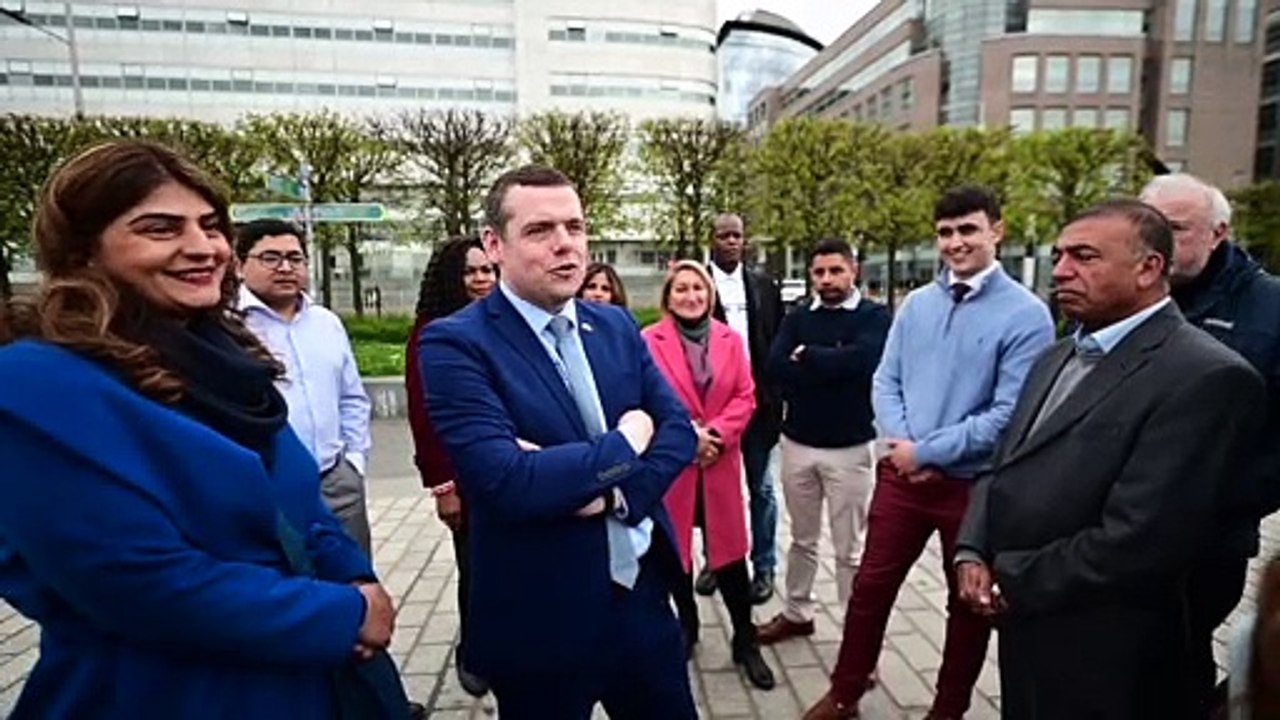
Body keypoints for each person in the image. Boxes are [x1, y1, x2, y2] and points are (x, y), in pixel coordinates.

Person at [0, 140, 408, 718]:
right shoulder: (34, 384)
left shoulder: (226, 357)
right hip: (169, 693)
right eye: (160, 228)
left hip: (319, 683)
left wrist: (359, 581)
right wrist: (342, 615)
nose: (202, 247)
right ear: (83, 250)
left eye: (211, 226)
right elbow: (137, 583)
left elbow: (300, 506)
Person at [955, 199, 1266, 720]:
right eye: (1058, 256)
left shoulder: (1206, 376)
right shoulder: (1056, 356)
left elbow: (1141, 539)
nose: (1060, 270)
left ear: (1149, 268)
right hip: (1028, 629)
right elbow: (1003, 463)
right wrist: (970, 550)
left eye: (1084, 256)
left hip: (1113, 655)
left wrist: (1011, 578)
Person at [419, 165, 698, 719]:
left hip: (642, 597)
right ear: (494, 244)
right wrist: (625, 442)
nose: (565, 244)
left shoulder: (615, 325)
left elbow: (679, 434)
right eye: (540, 230)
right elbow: (509, 481)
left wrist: (612, 492)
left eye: (575, 226)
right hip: (540, 617)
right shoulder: (454, 345)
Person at [804, 185, 1055, 720]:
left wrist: (927, 452)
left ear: (997, 230)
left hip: (973, 487)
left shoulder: (1028, 316)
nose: (955, 242)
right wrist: (900, 448)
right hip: (903, 476)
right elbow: (885, 380)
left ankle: (948, 710)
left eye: (968, 229)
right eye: (945, 232)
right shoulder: (916, 304)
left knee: (967, 605)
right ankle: (846, 691)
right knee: (870, 587)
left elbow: (1007, 414)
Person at [1139, 173, 1280, 716]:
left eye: (1175, 228)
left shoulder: (1269, 309)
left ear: (1219, 233)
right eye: (1149, 227)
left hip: (1205, 541)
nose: (1159, 242)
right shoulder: (1125, 292)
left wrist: (1217, 497)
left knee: (1179, 661)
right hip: (1116, 529)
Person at [642, 260, 775, 690]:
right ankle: (688, 626)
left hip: (717, 461)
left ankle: (745, 638)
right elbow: (649, 400)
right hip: (675, 466)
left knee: (731, 555)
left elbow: (745, 395)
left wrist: (713, 434)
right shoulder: (648, 341)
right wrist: (687, 439)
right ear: (668, 296)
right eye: (680, 289)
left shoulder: (730, 340)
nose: (690, 296)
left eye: (697, 288)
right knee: (676, 552)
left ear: (710, 294)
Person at [757, 239, 891, 647]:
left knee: (851, 549)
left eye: (836, 271)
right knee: (801, 539)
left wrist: (810, 358)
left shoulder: (875, 316)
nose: (827, 280)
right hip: (797, 445)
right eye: (819, 272)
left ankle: (857, 636)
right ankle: (798, 612)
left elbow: (866, 361)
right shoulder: (798, 316)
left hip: (850, 449)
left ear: (854, 270)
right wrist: (833, 360)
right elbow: (776, 365)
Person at [237, 218, 374, 555]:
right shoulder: (226, 326)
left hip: (336, 481)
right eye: (270, 258)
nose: (285, 268)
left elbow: (352, 397)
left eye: (295, 258)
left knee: (355, 584)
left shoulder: (326, 323)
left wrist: (354, 461)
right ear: (240, 265)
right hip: (265, 485)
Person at [404, 234, 496, 697]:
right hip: (463, 479)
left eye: (487, 271)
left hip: (509, 472)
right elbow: (424, 416)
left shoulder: (503, 322)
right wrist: (443, 487)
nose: (481, 280)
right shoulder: (431, 331)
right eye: (471, 272)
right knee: (474, 567)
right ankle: (474, 651)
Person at [703, 212, 784, 604]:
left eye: (737, 235)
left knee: (762, 488)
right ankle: (716, 561)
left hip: (759, 405)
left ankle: (764, 564)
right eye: (724, 235)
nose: (732, 241)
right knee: (716, 492)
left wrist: (777, 399)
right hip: (715, 407)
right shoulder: (697, 285)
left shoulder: (765, 287)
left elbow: (778, 344)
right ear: (712, 240)